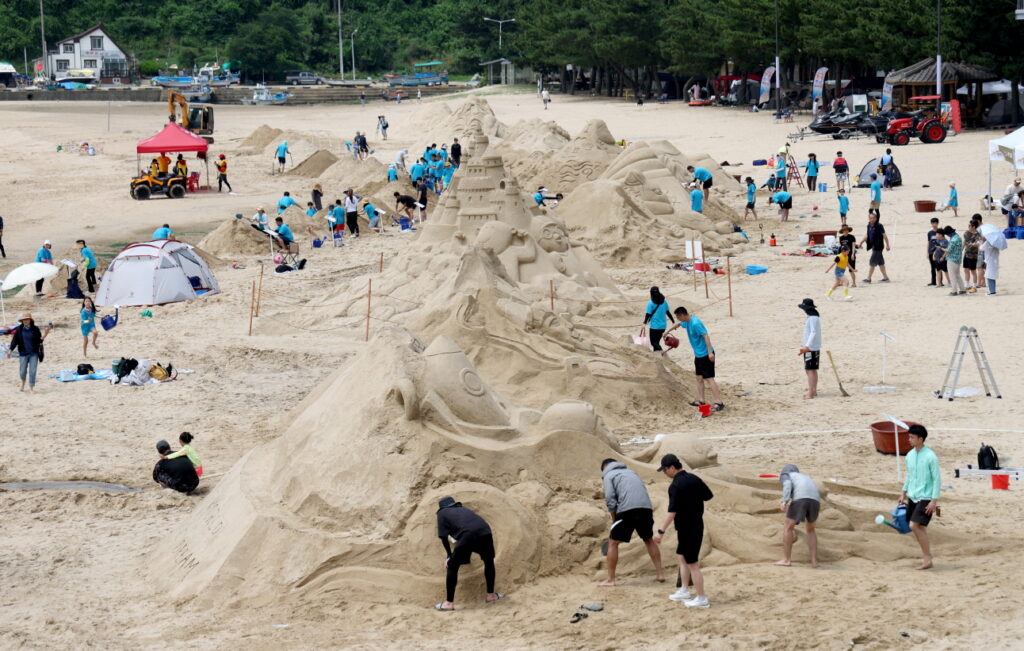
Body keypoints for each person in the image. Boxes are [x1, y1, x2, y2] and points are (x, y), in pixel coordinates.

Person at [653, 453, 714, 609]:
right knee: (682, 557)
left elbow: (672, 511)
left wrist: (660, 531)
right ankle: (684, 590)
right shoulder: (694, 479)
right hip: (696, 524)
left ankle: (702, 598)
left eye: (665, 470)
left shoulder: (675, 485)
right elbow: (708, 496)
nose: (665, 473)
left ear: (672, 468)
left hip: (688, 527)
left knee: (692, 563)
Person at [598, 459, 665, 586]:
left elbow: (610, 499)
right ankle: (660, 574)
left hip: (627, 509)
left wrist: (614, 519)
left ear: (605, 468)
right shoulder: (631, 472)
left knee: (613, 543)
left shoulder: (609, 475)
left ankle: (610, 580)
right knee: (648, 539)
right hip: (646, 508)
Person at [434, 496, 502, 611]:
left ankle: (448, 603)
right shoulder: (463, 509)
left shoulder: (442, 513)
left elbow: (443, 537)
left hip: (468, 534)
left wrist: (449, 556)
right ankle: (491, 595)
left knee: (452, 566)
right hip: (485, 530)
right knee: (488, 561)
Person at [664, 306, 724, 411]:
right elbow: (678, 324)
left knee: (709, 378)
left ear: (682, 315)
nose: (677, 319)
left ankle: (719, 402)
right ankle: (701, 400)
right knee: (699, 378)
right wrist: (667, 331)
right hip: (698, 355)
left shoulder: (696, 323)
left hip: (706, 354)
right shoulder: (686, 322)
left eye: (678, 317)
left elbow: (706, 336)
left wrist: (710, 353)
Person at [899, 425, 940, 570]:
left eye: (912, 437)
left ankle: (927, 557)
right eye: (909, 437)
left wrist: (934, 501)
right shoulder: (910, 455)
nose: (909, 439)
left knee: (913, 525)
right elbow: (910, 475)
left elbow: (937, 479)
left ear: (921, 439)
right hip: (913, 495)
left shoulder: (931, 457)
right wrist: (903, 492)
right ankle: (927, 557)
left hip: (926, 497)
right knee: (919, 527)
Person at [774, 464, 820, 568]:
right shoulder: (805, 477)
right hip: (815, 500)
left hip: (801, 498)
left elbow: (787, 485)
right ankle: (814, 561)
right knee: (811, 530)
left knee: (788, 527)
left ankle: (787, 560)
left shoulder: (786, 475)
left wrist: (784, 501)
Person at [10, 312, 51, 392]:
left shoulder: (35, 329)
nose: (25, 321)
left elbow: (40, 341)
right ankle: (23, 382)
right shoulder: (19, 329)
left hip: (33, 353)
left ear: (30, 320)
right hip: (23, 353)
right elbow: (15, 341)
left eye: (27, 319)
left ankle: (31, 387)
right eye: (23, 320)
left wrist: (46, 334)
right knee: (22, 371)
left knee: (32, 371)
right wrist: (10, 350)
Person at [797, 298, 820, 399]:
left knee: (810, 370)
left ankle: (811, 392)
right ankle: (813, 390)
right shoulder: (814, 317)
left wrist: (807, 346)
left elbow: (813, 332)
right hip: (813, 346)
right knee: (811, 369)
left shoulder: (812, 318)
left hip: (811, 347)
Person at [858, 210, 890, 283]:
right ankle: (886, 277)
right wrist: (861, 242)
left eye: (873, 218)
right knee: (880, 262)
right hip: (873, 246)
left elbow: (884, 235)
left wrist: (887, 245)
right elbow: (867, 235)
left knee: (872, 262)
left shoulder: (879, 226)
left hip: (878, 247)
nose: (872, 219)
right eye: (870, 218)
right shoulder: (869, 225)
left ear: (876, 218)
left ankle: (868, 278)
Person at [641, 287, 674, 356]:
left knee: (654, 343)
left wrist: (644, 323)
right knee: (656, 342)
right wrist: (672, 320)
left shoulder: (650, 303)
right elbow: (668, 312)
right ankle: (656, 356)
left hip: (654, 327)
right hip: (663, 326)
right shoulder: (664, 302)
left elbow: (648, 314)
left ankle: (662, 353)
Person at [941, 225, 964, 295]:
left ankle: (954, 291)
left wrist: (942, 248)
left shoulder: (953, 239)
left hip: (952, 259)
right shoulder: (958, 237)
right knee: (957, 275)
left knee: (952, 275)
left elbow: (949, 250)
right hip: (958, 259)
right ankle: (962, 289)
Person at [962, 218, 981, 293]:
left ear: (973, 227)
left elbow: (978, 244)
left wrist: (975, 244)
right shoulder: (967, 233)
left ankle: (974, 286)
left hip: (973, 255)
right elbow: (965, 242)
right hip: (966, 254)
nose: (968, 226)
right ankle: (966, 285)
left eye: (970, 225)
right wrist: (961, 249)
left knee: (973, 271)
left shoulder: (978, 235)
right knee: (966, 269)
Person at [926, 217, 941, 286]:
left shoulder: (940, 232)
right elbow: (928, 242)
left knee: (939, 267)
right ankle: (933, 281)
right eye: (933, 223)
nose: (934, 224)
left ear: (937, 223)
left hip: (938, 252)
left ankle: (940, 282)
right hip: (931, 252)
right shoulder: (930, 233)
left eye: (935, 223)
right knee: (932, 267)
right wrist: (927, 252)